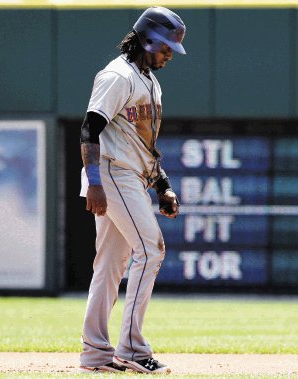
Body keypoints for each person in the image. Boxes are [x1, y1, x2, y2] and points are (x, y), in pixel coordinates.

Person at [78, 6, 186, 375]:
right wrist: (94, 182)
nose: (170, 55)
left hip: (132, 175)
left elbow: (143, 144)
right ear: (148, 40)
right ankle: (132, 349)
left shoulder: (151, 82)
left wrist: (163, 185)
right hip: (112, 173)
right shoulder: (117, 75)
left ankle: (95, 355)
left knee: (110, 266)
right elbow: (89, 129)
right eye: (167, 47)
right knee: (151, 250)